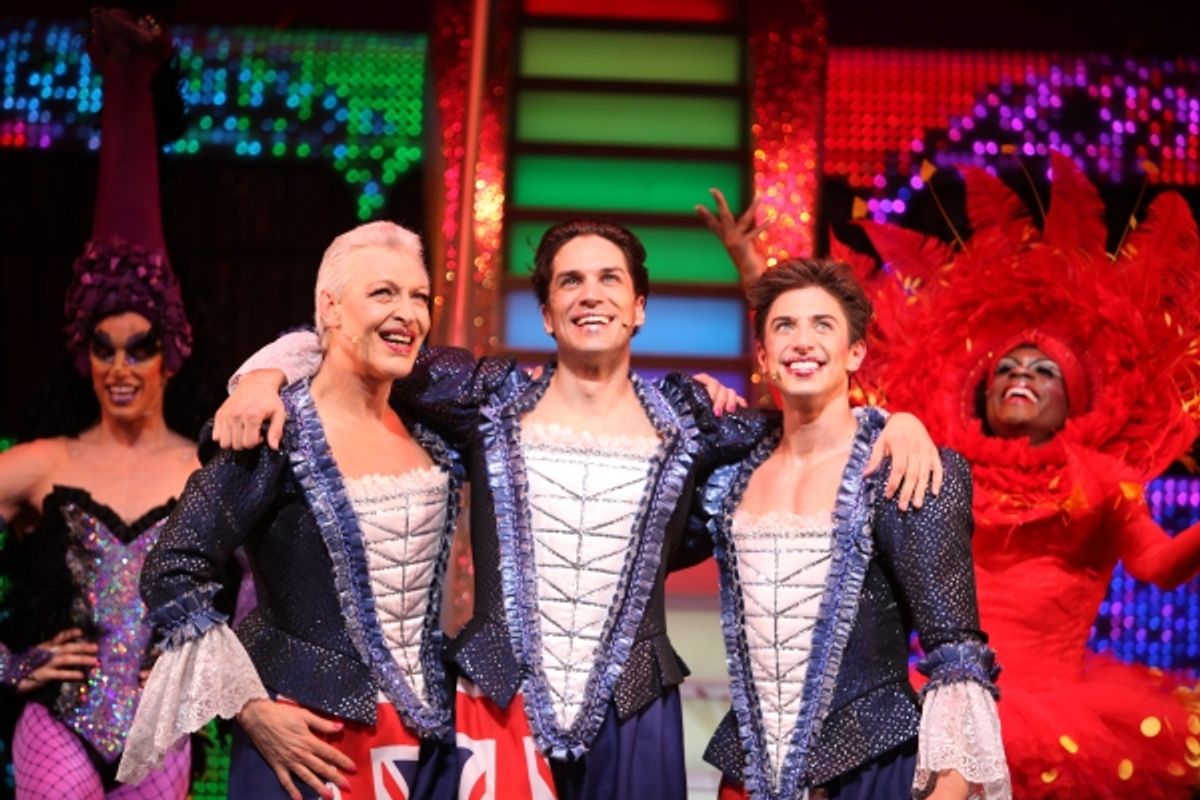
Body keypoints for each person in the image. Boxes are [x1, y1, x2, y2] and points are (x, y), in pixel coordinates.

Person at [216, 218, 942, 799]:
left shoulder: (689, 416)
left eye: (609, 280)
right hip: (497, 704)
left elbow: (813, 421)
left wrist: (895, 421)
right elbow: (355, 345)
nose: (589, 294)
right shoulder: (487, 398)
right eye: (570, 280)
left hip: (635, 715)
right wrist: (264, 375)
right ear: (547, 311)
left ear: (639, 307)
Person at [705, 152, 1200, 797]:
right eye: (1007, 369)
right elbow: (821, 389)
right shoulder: (925, 460)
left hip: (1065, 721)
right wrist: (755, 272)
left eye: (1043, 369)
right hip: (927, 695)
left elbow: (1160, 565)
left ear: (1074, 395)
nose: (1021, 376)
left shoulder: (1103, 481)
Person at [114, 222, 471, 800]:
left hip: (421, 745)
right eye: (383, 293)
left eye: (419, 297)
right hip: (307, 746)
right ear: (329, 307)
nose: (408, 312)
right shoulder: (276, 429)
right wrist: (247, 706)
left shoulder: (430, 422)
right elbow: (172, 567)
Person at [689, 258, 1009, 800]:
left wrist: (948, 789)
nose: (802, 341)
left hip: (871, 763)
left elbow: (955, 651)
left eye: (822, 325)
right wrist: (688, 405)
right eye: (784, 326)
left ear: (854, 352)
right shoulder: (732, 468)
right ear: (764, 356)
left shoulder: (906, 467)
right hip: (749, 774)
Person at [0, 8, 198, 799]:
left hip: (162, 726)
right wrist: (10, 661)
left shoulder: (204, 471)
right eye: (103, 346)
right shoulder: (44, 463)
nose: (120, 366)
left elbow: (262, 599)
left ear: (170, 354)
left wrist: (198, 668)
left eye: (139, 346)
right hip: (57, 721)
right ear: (84, 355)